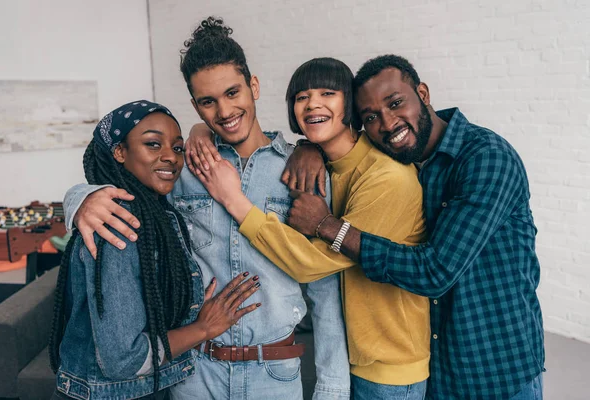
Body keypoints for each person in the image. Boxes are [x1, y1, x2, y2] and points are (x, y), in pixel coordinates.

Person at [61, 18, 350, 400]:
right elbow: (126, 181)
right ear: (195, 105)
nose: (225, 110)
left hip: (275, 374)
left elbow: (324, 290)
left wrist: (332, 388)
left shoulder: (300, 170)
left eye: (233, 92)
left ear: (254, 86)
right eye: (208, 101)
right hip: (194, 373)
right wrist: (82, 198)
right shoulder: (182, 167)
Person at [280, 55, 545, 399]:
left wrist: (329, 226)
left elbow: (434, 271)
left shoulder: (486, 159)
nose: (388, 124)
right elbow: (342, 141)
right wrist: (310, 147)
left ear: (423, 92)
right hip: (432, 369)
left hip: (494, 370)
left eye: (396, 103)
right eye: (371, 117)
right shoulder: (401, 158)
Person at [190, 57, 430, 400]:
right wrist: (200, 130)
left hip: (389, 369)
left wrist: (235, 201)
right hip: (355, 359)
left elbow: (312, 264)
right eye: (302, 97)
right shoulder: (326, 167)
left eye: (327, 93)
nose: (313, 103)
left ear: (349, 102)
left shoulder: (386, 178)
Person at [49, 100, 260, 399]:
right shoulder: (119, 225)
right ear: (120, 152)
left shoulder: (155, 213)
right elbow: (123, 360)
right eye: (152, 144)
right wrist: (203, 329)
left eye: (176, 148)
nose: (170, 158)